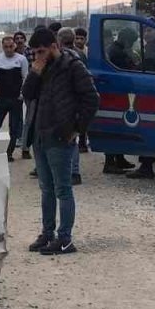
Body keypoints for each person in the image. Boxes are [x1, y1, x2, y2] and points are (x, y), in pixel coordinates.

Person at [22, 28, 98, 256]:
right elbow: (26, 93)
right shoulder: (39, 67)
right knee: (46, 189)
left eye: (42, 51)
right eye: (34, 53)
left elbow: (92, 99)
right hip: (40, 135)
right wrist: (34, 72)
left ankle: (65, 239)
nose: (38, 56)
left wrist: (77, 129)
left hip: (60, 137)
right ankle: (47, 234)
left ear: (54, 46)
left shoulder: (72, 66)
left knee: (63, 189)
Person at [0, 35, 29, 160]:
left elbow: (25, 78)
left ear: (14, 46)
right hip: (1, 99)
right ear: (3, 47)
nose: (9, 49)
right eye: (6, 47)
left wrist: (21, 95)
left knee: (14, 127)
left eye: (11, 46)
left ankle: (8, 153)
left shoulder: (21, 59)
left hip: (16, 98)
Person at [54, 27, 84, 185]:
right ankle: (74, 171)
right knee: (73, 139)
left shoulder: (60, 57)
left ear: (59, 40)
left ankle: (70, 171)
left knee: (66, 140)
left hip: (65, 103)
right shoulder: (81, 54)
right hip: (78, 102)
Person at [72, 27, 91, 154]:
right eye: (77, 38)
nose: (79, 41)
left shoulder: (89, 52)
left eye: (81, 38)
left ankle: (83, 142)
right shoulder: (71, 53)